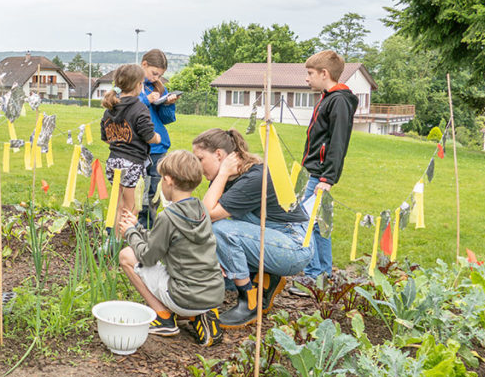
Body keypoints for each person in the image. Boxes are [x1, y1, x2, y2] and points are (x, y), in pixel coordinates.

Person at [192, 128, 312, 329]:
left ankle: (248, 301)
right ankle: (266, 279)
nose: (197, 166)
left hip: (294, 247)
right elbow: (204, 218)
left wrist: (221, 173)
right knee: (221, 246)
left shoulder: (254, 178)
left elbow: (208, 214)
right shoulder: (229, 177)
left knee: (222, 230)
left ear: (219, 155)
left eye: (200, 159)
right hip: (273, 238)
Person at [116, 150, 225, 347]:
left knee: (126, 256)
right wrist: (139, 228)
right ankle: (203, 315)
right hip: (214, 293)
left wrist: (130, 233)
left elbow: (148, 257)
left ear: (168, 180)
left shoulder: (168, 216)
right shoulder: (201, 209)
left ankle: (164, 318)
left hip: (184, 297)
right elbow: (166, 239)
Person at [289, 50, 358, 291]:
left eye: (310, 73)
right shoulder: (328, 97)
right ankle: (324, 275)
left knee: (305, 223)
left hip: (319, 175)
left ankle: (313, 276)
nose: (307, 78)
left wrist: (327, 178)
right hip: (314, 171)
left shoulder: (338, 100)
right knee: (319, 224)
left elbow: (338, 142)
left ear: (324, 73)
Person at [100, 63, 160, 230]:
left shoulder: (110, 109)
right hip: (132, 164)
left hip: (113, 163)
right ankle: (127, 243)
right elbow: (148, 136)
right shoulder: (139, 107)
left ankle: (114, 242)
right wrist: (157, 137)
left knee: (118, 206)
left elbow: (106, 138)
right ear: (138, 85)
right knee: (132, 208)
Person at [137, 49, 177, 228]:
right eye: (154, 73)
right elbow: (125, 107)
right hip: (138, 147)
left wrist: (168, 104)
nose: (155, 78)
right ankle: (131, 229)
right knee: (137, 192)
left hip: (158, 149)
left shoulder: (159, 87)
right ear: (143, 64)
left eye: (159, 75)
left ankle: (147, 230)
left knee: (153, 194)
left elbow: (167, 119)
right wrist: (147, 99)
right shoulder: (132, 84)